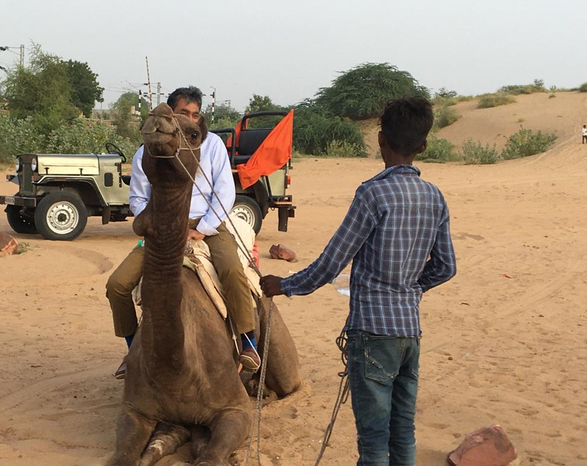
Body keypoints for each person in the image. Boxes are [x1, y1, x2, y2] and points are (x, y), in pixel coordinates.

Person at [261, 96, 457, 466]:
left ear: (381, 140)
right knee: (403, 433)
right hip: (409, 333)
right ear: (423, 145)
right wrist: (410, 288)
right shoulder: (435, 197)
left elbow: (331, 262)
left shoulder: (373, 193)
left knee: (372, 442)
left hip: (373, 332)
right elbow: (445, 267)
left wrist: (284, 285)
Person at [106, 86, 260, 379]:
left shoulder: (212, 145)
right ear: (171, 115)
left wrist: (203, 230)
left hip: (208, 224)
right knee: (117, 284)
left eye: (194, 114)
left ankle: (248, 341)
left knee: (232, 271)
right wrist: (156, 222)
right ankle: (131, 350)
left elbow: (225, 191)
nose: (189, 118)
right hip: (164, 226)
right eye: (182, 113)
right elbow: (138, 198)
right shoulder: (148, 151)